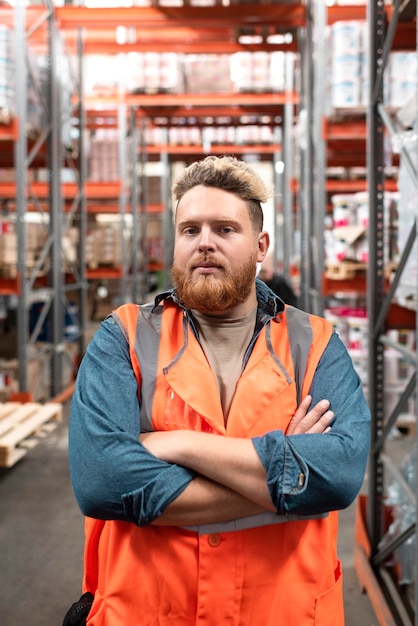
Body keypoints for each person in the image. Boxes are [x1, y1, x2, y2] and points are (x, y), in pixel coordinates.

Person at [68, 155, 370, 626]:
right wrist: (289, 476)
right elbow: (102, 481)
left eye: (225, 229)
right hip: (149, 613)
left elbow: (340, 474)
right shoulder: (124, 337)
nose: (205, 242)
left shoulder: (315, 344)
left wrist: (177, 444)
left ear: (260, 245)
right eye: (190, 230)